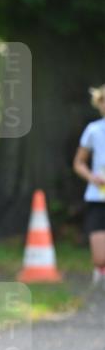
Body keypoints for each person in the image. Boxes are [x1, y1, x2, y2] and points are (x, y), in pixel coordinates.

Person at [72, 84, 105, 286]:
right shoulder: (93, 130)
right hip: (98, 197)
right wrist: (93, 177)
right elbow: (79, 163)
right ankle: (99, 268)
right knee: (100, 257)